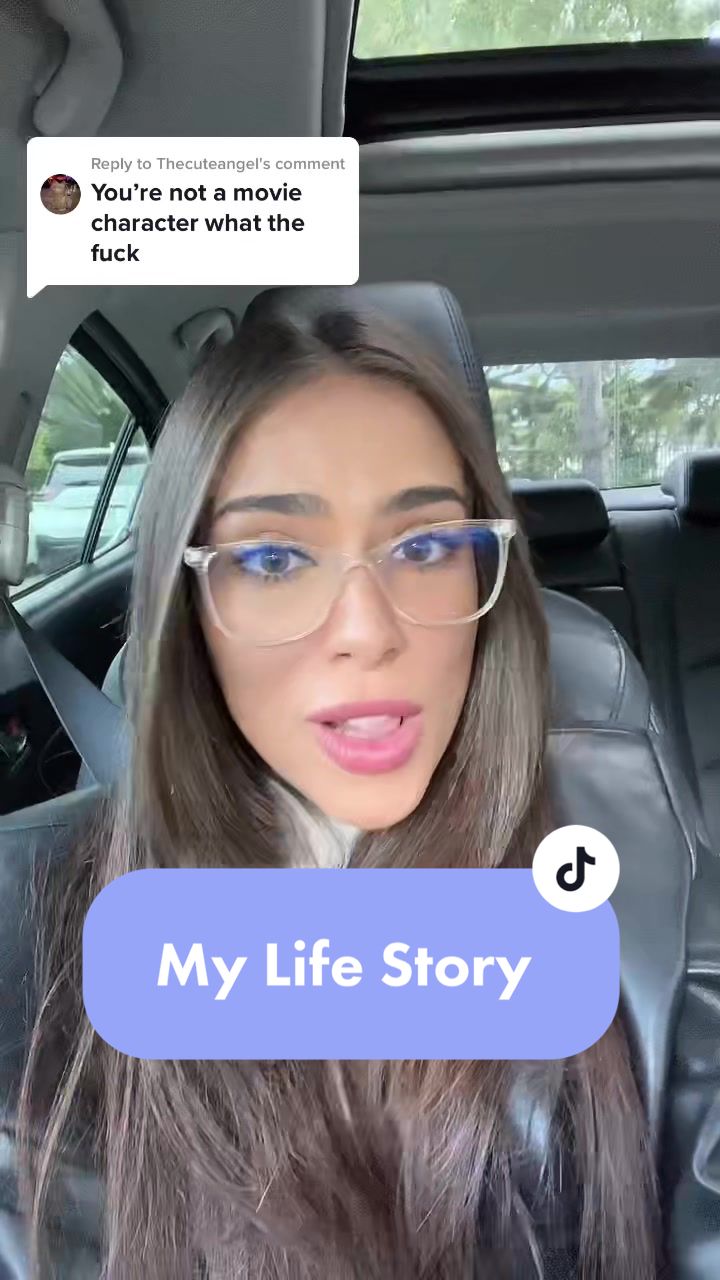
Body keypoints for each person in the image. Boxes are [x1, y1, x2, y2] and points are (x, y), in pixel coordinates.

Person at [9, 300, 661, 1279]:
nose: (367, 630)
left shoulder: (631, 888)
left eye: (426, 547)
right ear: (188, 609)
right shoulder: (35, 957)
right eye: (274, 558)